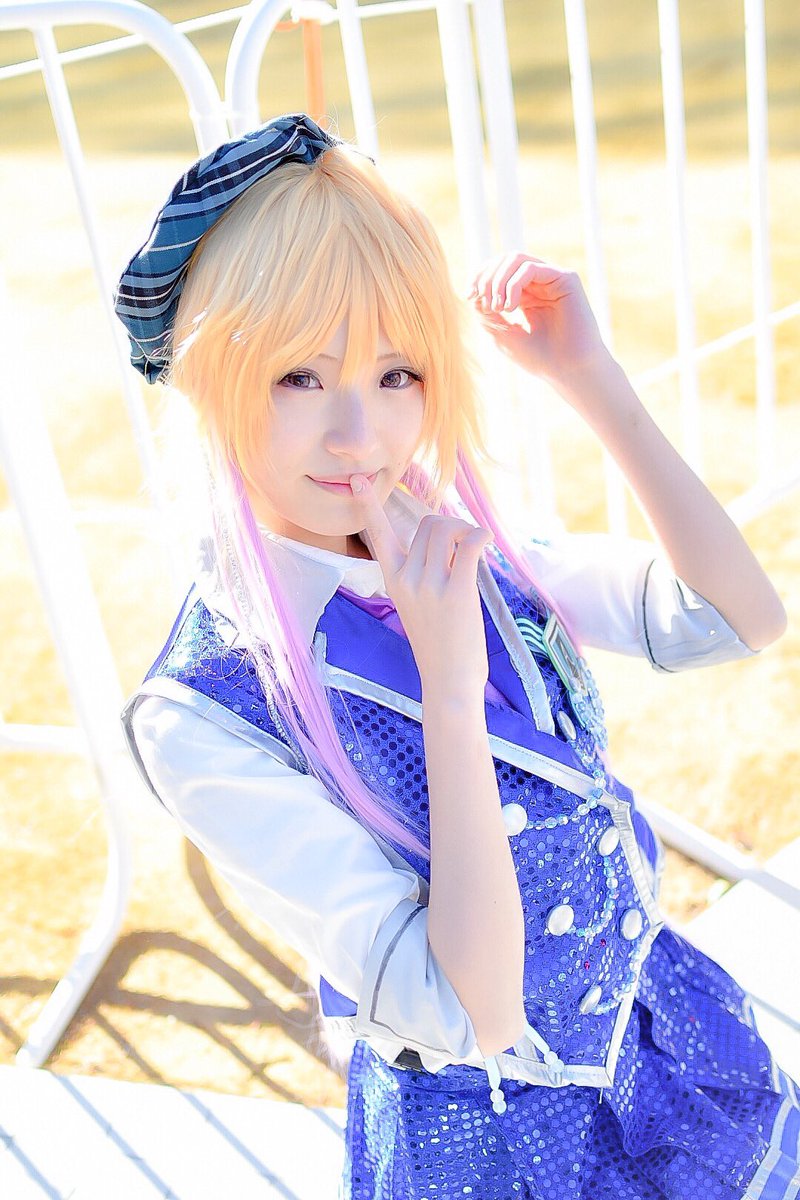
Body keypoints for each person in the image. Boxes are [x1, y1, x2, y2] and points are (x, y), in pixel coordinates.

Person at [115, 113, 798, 1199]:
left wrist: (590, 378)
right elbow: (471, 1005)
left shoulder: (450, 540)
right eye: (298, 377)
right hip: (491, 1148)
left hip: (663, 1046)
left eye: (399, 373)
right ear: (208, 376)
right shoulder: (203, 714)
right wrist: (449, 687)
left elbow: (733, 618)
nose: (361, 436)